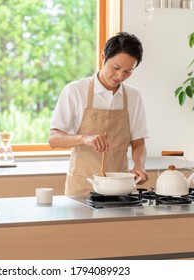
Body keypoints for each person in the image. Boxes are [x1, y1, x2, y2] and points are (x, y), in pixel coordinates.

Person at [48, 31, 149, 196]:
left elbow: (138, 143)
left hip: (120, 187)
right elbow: (54, 139)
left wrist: (139, 166)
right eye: (115, 68)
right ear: (103, 57)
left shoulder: (133, 96)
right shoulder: (75, 91)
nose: (120, 76)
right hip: (82, 186)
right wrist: (84, 138)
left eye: (128, 71)